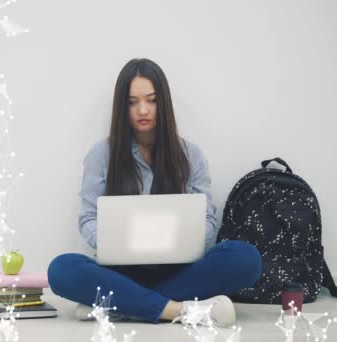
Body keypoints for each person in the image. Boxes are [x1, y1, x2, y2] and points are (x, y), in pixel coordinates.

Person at [47, 58, 262, 326]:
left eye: (151, 100)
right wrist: (116, 243)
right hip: (120, 273)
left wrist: (184, 241)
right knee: (61, 270)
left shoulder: (191, 155)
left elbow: (206, 219)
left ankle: (122, 306)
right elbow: (88, 218)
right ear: (121, 106)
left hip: (179, 273)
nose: (143, 110)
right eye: (132, 102)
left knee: (246, 258)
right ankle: (179, 310)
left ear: (164, 102)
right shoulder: (101, 154)